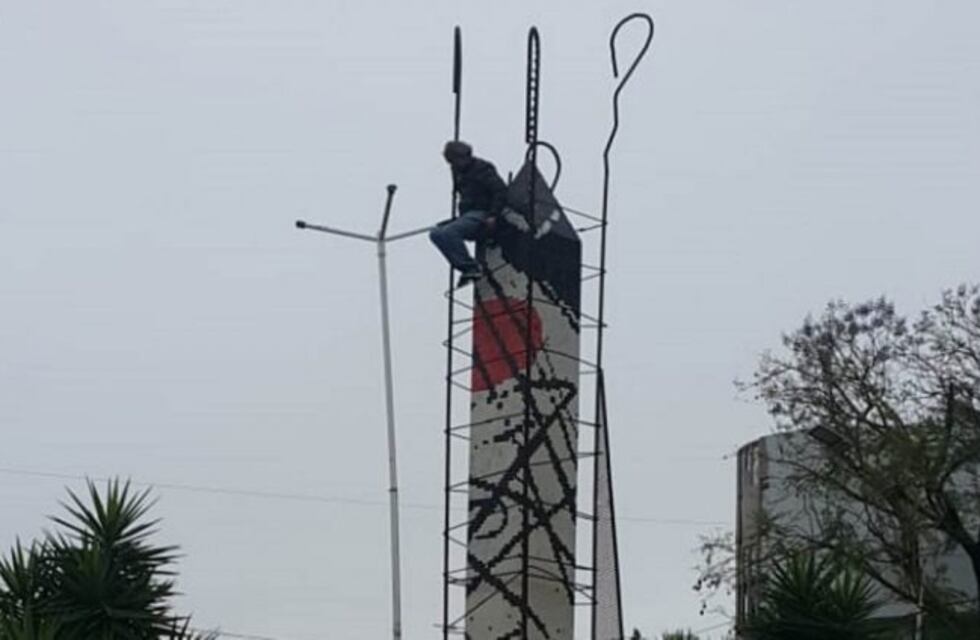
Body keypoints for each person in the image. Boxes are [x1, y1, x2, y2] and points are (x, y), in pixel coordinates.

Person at [429, 140, 509, 287]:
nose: (454, 165)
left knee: (449, 232)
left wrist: (493, 215)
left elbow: (500, 191)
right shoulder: (457, 171)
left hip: (482, 213)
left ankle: (471, 267)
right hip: (469, 215)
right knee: (436, 232)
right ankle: (465, 267)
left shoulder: (482, 168)